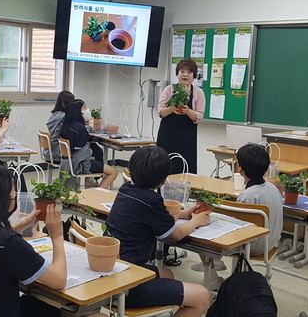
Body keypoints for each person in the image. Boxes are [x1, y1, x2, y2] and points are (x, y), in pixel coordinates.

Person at [0, 164, 105, 317]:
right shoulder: (9, 243)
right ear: (1, 204)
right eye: (13, 198)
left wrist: (20, 226)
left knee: (43, 302)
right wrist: (57, 236)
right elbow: (59, 281)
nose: (14, 201)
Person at [105, 146, 211, 317]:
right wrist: (196, 221)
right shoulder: (151, 200)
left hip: (112, 270)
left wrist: (183, 214)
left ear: (131, 171)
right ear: (163, 180)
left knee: (167, 274)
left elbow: (150, 217)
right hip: (129, 282)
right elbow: (176, 235)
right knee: (203, 297)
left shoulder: (125, 190)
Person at [193, 144, 284, 277]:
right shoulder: (273, 188)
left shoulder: (248, 196)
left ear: (240, 169)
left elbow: (239, 231)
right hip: (271, 243)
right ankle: (217, 262)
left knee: (199, 231)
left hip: (250, 247)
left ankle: (212, 278)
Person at [157, 59, 205, 174]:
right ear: (177, 74)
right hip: (167, 136)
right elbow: (160, 112)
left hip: (187, 137)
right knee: (163, 166)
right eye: (182, 71)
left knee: (186, 166)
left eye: (189, 72)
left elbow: (199, 115)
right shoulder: (168, 90)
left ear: (194, 75)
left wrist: (187, 111)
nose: (185, 75)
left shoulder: (198, 92)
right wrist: (172, 109)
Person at [59, 99, 117, 189]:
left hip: (68, 162)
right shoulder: (80, 128)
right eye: (84, 107)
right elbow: (83, 150)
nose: (87, 110)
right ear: (78, 111)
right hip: (80, 164)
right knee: (113, 172)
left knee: (96, 151)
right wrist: (89, 126)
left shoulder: (65, 126)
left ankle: (92, 186)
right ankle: (97, 192)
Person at [44, 90, 74, 163]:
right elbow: (72, 133)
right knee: (89, 151)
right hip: (59, 154)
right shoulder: (65, 117)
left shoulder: (55, 115)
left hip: (49, 152)